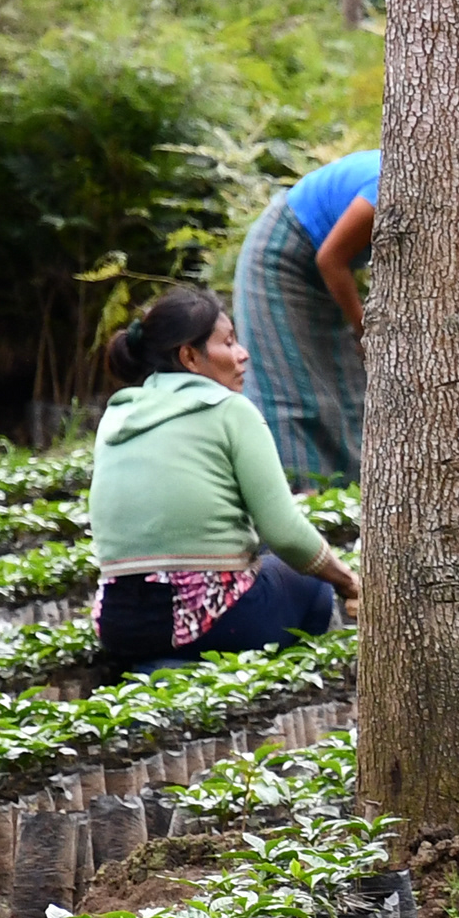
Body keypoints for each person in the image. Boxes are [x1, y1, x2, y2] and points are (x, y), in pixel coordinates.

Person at [88, 287, 362, 671]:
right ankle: (267, 685)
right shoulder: (230, 411)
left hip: (121, 625)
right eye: (228, 342)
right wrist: (347, 581)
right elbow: (285, 533)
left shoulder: (116, 416)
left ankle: (161, 668)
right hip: (208, 622)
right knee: (309, 582)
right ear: (189, 357)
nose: (242, 353)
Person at [233, 147, 377, 484]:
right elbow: (331, 259)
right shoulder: (387, 185)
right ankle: (297, 501)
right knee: (286, 386)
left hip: (324, 269)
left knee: (348, 384)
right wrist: (363, 329)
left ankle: (353, 498)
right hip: (282, 256)